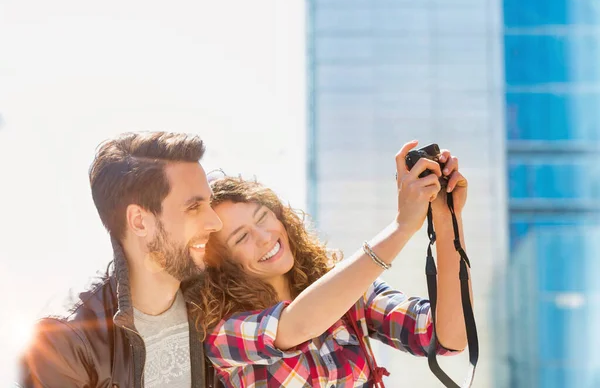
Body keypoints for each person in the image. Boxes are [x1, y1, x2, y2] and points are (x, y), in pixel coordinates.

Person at [191, 140, 472, 387]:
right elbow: (297, 326)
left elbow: (448, 337)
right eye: (242, 237)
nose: (265, 237)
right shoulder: (220, 331)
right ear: (221, 263)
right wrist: (402, 226)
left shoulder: (349, 293)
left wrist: (447, 218)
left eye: (263, 217)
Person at [18, 131, 223, 388]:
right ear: (139, 221)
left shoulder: (219, 306)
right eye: (194, 207)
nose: (216, 222)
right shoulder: (65, 339)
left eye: (210, 204)